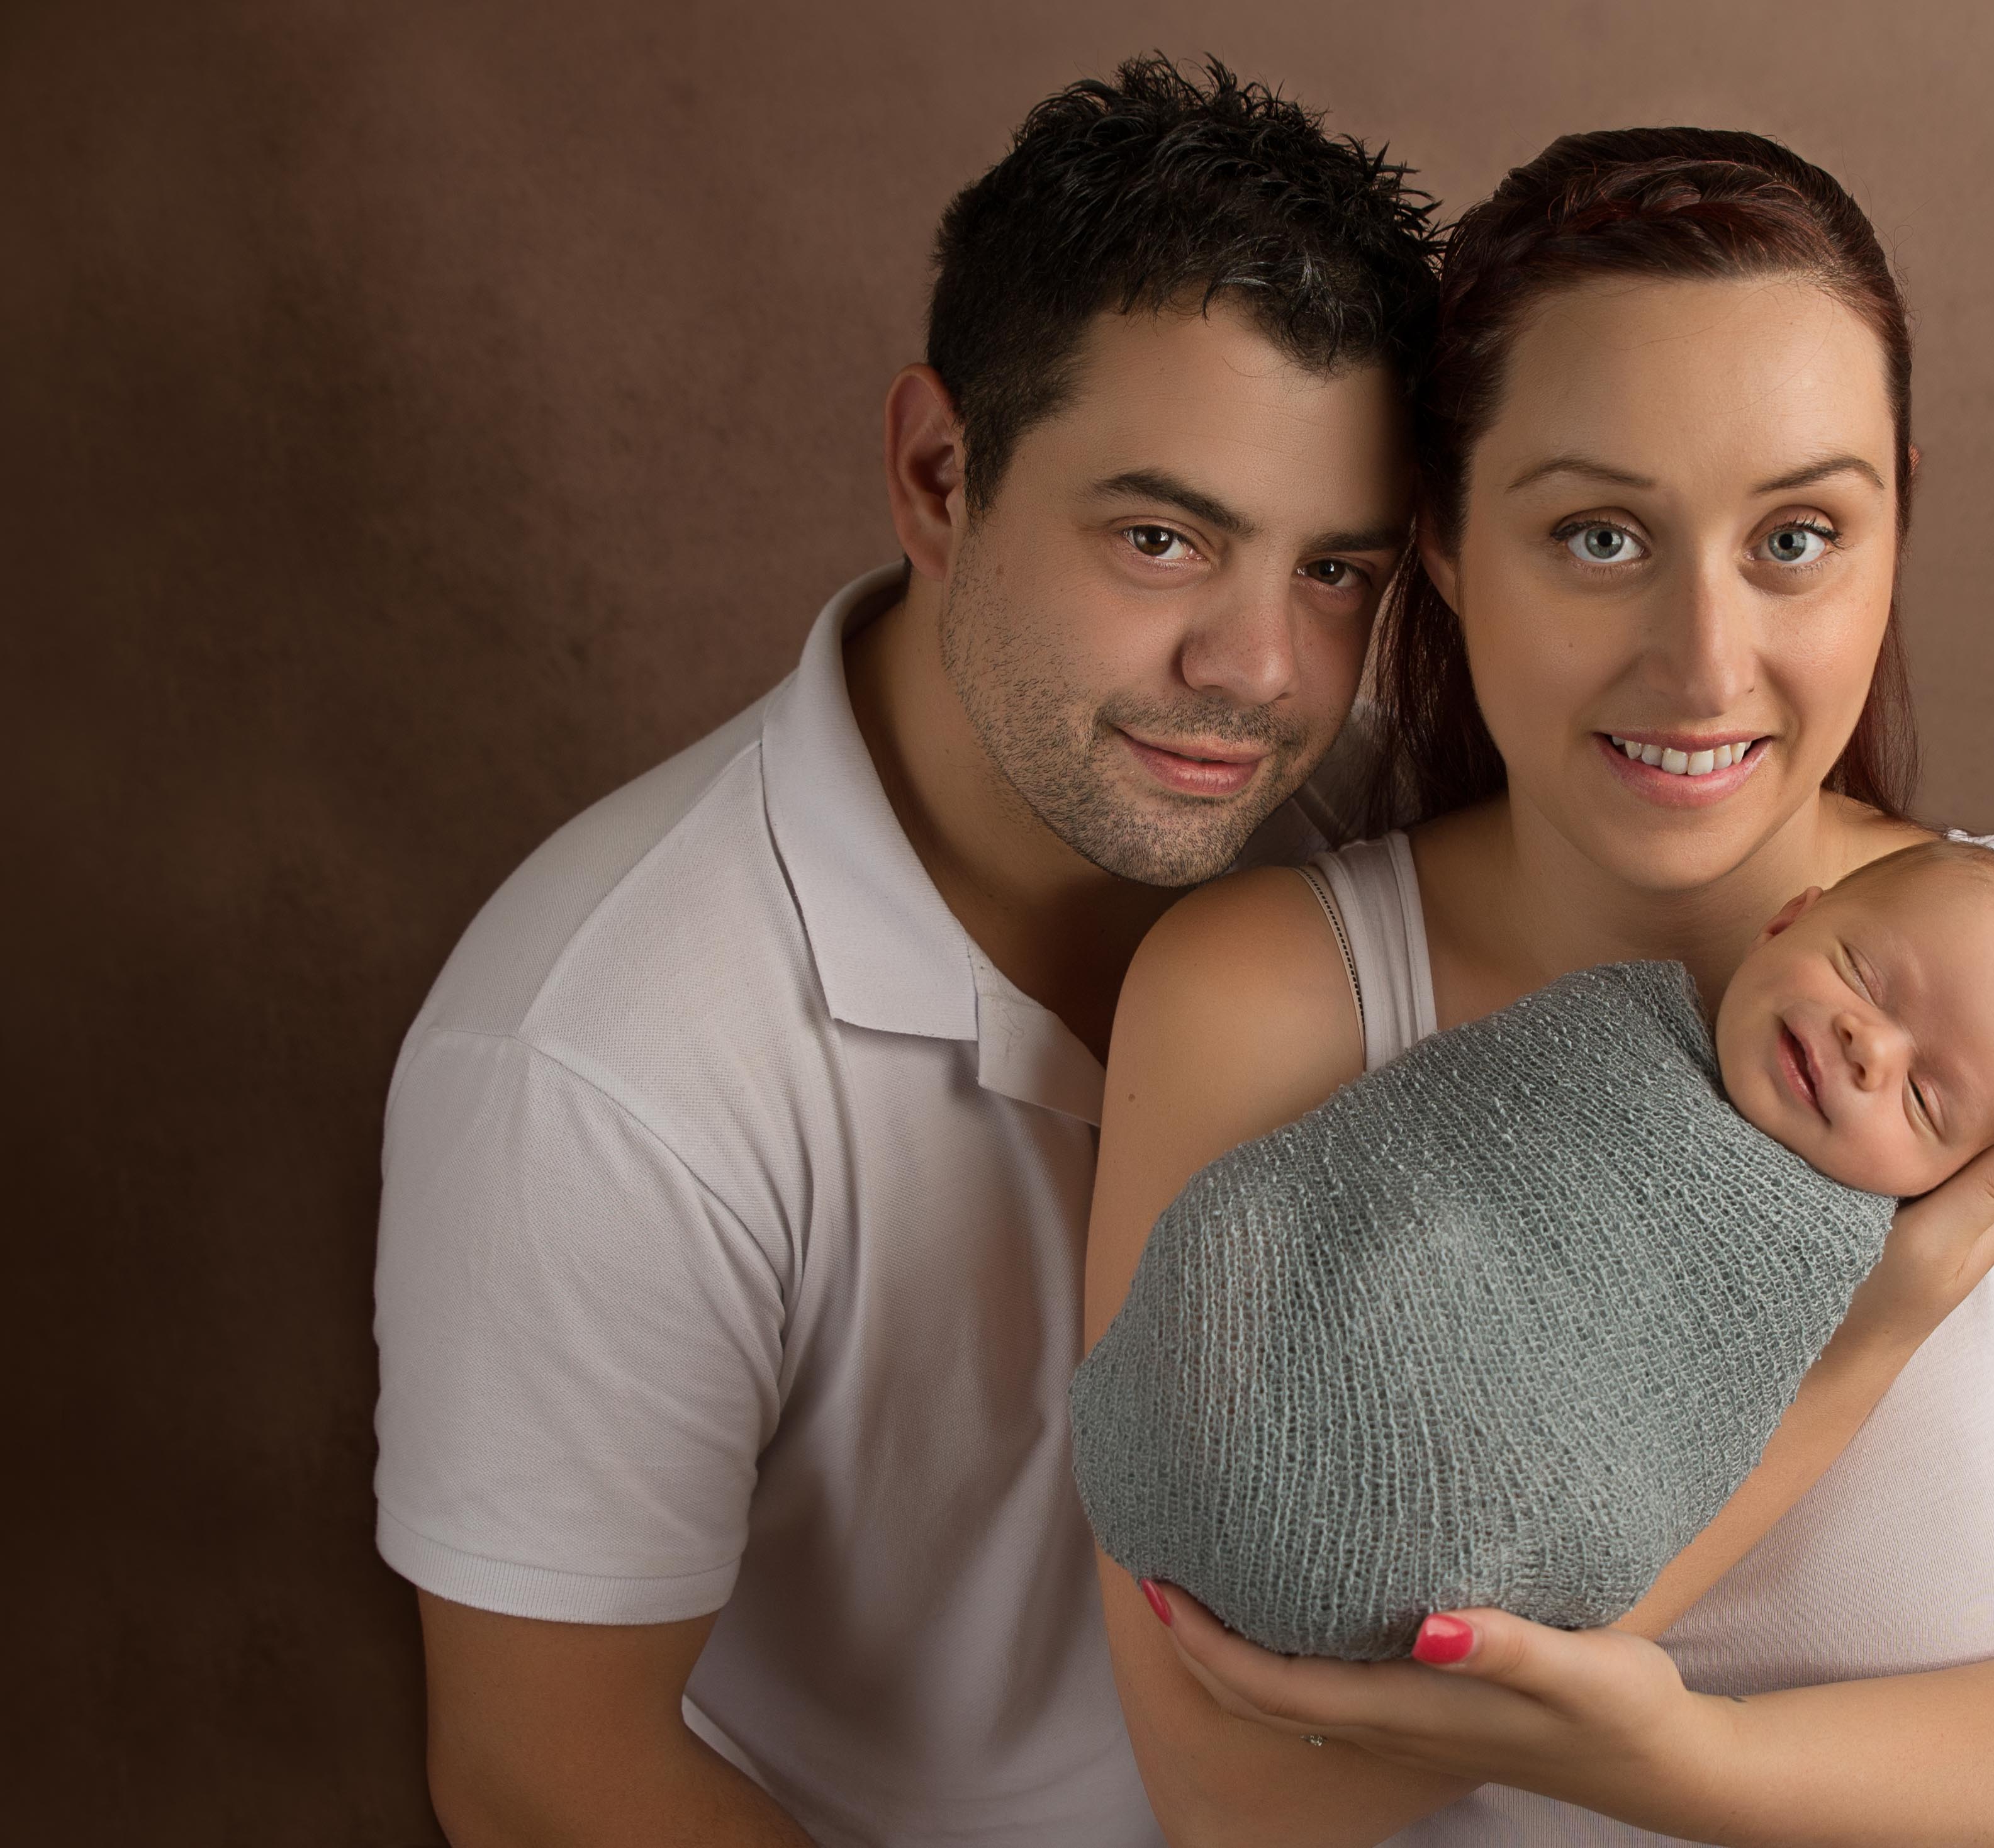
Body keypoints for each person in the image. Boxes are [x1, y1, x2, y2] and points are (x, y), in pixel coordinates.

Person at [1085, 128, 1994, 1844]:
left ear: (1894, 528)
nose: (1705, 663)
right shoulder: (1270, 997)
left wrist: (1692, 1768)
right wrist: (1860, 1338)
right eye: (1597, 538)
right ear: (1438, 540)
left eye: (1796, 537)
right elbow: (1235, 1804)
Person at [369, 57, 1437, 1845]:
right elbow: (542, 1772)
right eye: (1162, 537)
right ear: (939, 476)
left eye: (1333, 571)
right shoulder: (602, 1054)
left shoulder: (1381, 833)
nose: (1259, 671)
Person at [1073, 839, 1994, 1663]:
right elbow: (1402, 1153)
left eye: (1924, 1097)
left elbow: (1657, 1434)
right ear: (1789, 918)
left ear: (1951, 1177)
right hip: (1275, 1321)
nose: (1867, 1044)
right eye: (1862, 974)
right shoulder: (1604, 1021)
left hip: (1469, 1473)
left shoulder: (1831, 1258)